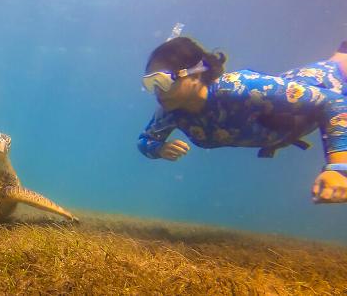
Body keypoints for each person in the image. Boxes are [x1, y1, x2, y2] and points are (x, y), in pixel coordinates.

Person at [138, 35, 347, 203]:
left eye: (162, 80)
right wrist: (159, 149)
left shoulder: (239, 88)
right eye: (150, 83)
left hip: (333, 78)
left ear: (194, 74)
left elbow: (333, 102)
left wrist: (339, 169)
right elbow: (146, 140)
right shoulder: (171, 112)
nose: (157, 91)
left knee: (340, 61)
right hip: (293, 111)